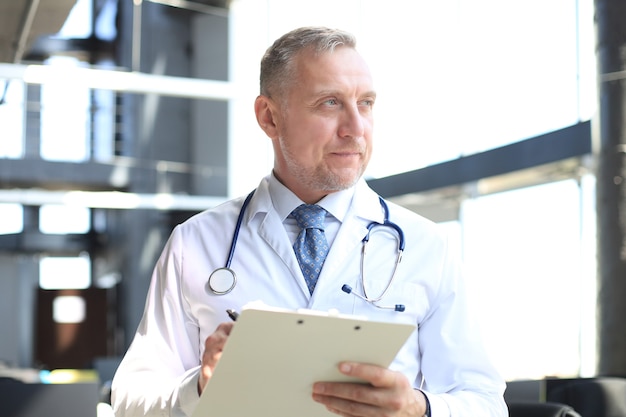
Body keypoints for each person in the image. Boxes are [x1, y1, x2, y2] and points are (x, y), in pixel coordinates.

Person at [111, 26, 507, 417]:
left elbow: (486, 403)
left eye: (366, 103)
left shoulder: (424, 245)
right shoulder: (195, 243)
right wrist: (197, 385)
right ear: (269, 117)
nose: (357, 129)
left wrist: (418, 408)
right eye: (330, 103)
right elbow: (130, 399)